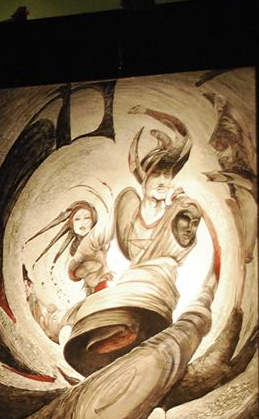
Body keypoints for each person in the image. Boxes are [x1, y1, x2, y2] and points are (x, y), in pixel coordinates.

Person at [62, 106, 205, 375]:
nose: (163, 181)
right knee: (95, 323)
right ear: (144, 178)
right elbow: (94, 239)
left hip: (158, 283)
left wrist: (183, 210)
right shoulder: (128, 209)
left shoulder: (178, 211)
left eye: (167, 175)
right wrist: (79, 264)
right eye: (157, 175)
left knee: (128, 318)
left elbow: (185, 242)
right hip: (132, 282)